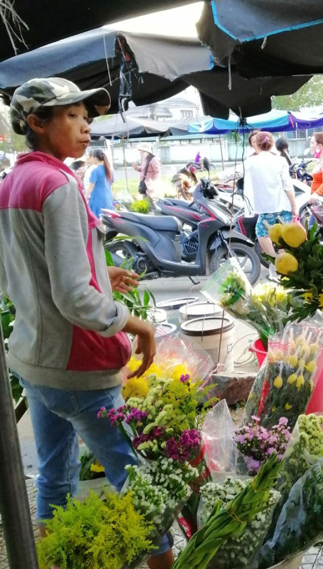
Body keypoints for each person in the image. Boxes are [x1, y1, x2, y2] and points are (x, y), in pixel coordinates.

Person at [0, 78, 173, 569]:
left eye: (86, 117)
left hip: (36, 359)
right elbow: (74, 296)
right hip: (79, 365)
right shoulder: (57, 183)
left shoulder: (11, 183)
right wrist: (135, 324)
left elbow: (22, 275)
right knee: (134, 479)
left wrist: (102, 272)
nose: (85, 126)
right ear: (36, 123)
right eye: (72, 116)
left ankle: (51, 563)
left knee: (54, 476)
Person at [243, 132, 297, 278]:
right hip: (283, 205)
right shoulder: (280, 161)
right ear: (272, 144)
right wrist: (294, 207)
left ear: (256, 144)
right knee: (284, 237)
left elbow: (232, 173)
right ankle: (285, 265)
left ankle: (275, 260)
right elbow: (288, 187)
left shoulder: (250, 161)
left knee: (261, 232)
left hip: (266, 208)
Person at [86, 148, 114, 217]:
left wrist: (85, 196)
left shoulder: (95, 171)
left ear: (95, 158)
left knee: (98, 219)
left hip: (97, 199)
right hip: (108, 198)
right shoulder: (110, 170)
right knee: (107, 219)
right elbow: (111, 183)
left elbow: (91, 186)